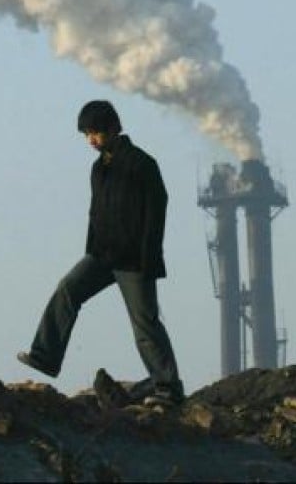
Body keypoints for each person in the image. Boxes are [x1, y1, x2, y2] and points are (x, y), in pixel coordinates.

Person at [17, 100, 185, 407]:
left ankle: (168, 388)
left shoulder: (141, 163)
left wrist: (150, 259)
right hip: (101, 256)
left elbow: (156, 211)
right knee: (67, 289)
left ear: (112, 128)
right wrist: (91, 249)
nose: (90, 140)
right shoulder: (98, 168)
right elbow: (95, 213)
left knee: (145, 324)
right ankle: (45, 357)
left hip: (134, 260)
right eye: (86, 134)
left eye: (94, 132)